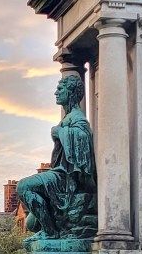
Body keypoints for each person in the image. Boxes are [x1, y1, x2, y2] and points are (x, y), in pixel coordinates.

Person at [17, 74, 96, 239]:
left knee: (24, 187)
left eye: (60, 89)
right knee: (31, 220)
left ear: (71, 92)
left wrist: (59, 132)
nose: (56, 93)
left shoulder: (77, 117)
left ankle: (50, 232)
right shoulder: (68, 117)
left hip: (67, 176)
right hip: (60, 172)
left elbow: (83, 140)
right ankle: (49, 230)